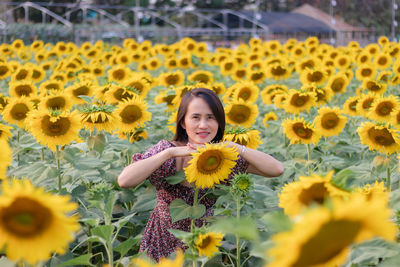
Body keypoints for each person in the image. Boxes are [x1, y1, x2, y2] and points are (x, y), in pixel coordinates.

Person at [118, 88, 284, 261]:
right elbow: (125, 180)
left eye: (210, 117)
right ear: (183, 122)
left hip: (203, 246)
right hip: (162, 246)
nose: (203, 125)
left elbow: (276, 169)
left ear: (219, 122)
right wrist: (169, 154)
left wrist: (237, 148)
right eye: (195, 117)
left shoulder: (223, 158)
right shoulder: (168, 151)